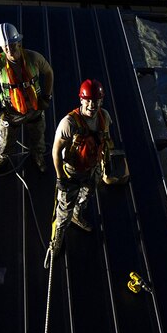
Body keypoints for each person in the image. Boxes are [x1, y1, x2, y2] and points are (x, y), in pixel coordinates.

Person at [48, 79, 113, 258]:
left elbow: (105, 141)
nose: (92, 105)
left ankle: (77, 215)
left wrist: (105, 162)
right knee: (63, 210)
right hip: (72, 172)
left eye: (96, 100)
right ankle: (56, 238)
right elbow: (56, 151)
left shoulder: (104, 117)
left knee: (86, 196)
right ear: (82, 100)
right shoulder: (69, 123)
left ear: (101, 100)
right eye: (88, 100)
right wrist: (61, 178)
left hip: (92, 169)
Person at [0, 22, 54, 175]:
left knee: (38, 136)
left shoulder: (34, 58)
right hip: (11, 112)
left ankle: (38, 155)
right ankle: (3, 157)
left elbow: (48, 72)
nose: (9, 49)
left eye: (12, 44)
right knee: (6, 139)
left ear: (19, 42)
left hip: (34, 108)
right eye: (5, 46)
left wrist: (47, 97)